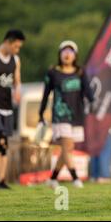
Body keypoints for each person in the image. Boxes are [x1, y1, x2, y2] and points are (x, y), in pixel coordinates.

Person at [39, 41, 94, 189]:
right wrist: (41, 114)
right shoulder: (52, 72)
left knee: (67, 150)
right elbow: (45, 94)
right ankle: (76, 179)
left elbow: (88, 91)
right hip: (60, 114)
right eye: (64, 51)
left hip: (76, 115)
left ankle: (52, 178)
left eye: (70, 51)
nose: (67, 54)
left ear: (75, 55)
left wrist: (93, 101)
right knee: (67, 145)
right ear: (60, 54)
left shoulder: (80, 72)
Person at [0, 30, 25, 190]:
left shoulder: (15, 60)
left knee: (5, 145)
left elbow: (17, 81)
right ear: (8, 42)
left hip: (6, 106)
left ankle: (1, 180)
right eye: (16, 47)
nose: (17, 50)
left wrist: (18, 91)